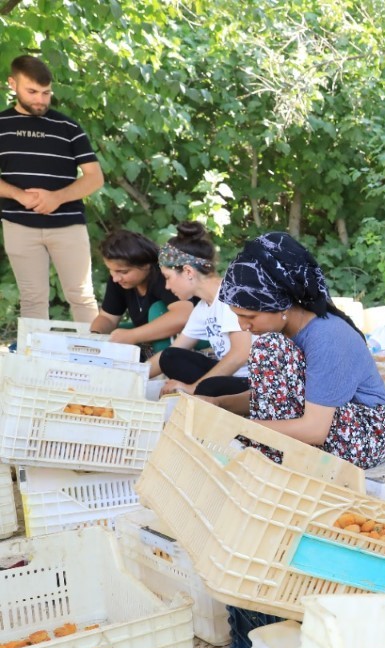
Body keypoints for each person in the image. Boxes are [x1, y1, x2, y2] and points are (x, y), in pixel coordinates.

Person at [214, 232, 385, 469]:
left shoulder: (326, 335)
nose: (243, 326)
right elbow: (277, 397)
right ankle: (267, 449)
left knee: (268, 349)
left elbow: (315, 430)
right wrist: (219, 405)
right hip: (333, 422)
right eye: (238, 317)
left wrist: (241, 430)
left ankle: (271, 456)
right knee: (214, 392)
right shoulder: (287, 332)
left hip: (365, 435)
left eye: (250, 316)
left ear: (282, 305)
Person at [0, 55, 103, 323]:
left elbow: (94, 178)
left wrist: (57, 198)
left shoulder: (68, 127)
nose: (41, 100)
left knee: (81, 295)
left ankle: (93, 362)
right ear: (12, 84)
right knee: (32, 299)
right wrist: (19, 195)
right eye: (32, 91)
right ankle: (33, 364)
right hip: (18, 224)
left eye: (46, 93)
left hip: (68, 224)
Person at [154, 222, 251, 397]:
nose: (167, 286)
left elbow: (240, 354)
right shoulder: (203, 307)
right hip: (228, 378)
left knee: (206, 388)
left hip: (252, 380)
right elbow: (176, 348)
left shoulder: (229, 294)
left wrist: (194, 387)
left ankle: (201, 392)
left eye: (167, 278)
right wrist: (135, 376)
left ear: (188, 271)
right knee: (170, 357)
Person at [92, 230, 194, 361]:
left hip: (187, 347)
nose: (115, 278)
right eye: (110, 270)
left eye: (123, 271)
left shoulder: (164, 276)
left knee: (157, 310)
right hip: (151, 348)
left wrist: (132, 336)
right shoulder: (118, 280)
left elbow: (183, 315)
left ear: (146, 264)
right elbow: (108, 318)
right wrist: (95, 337)